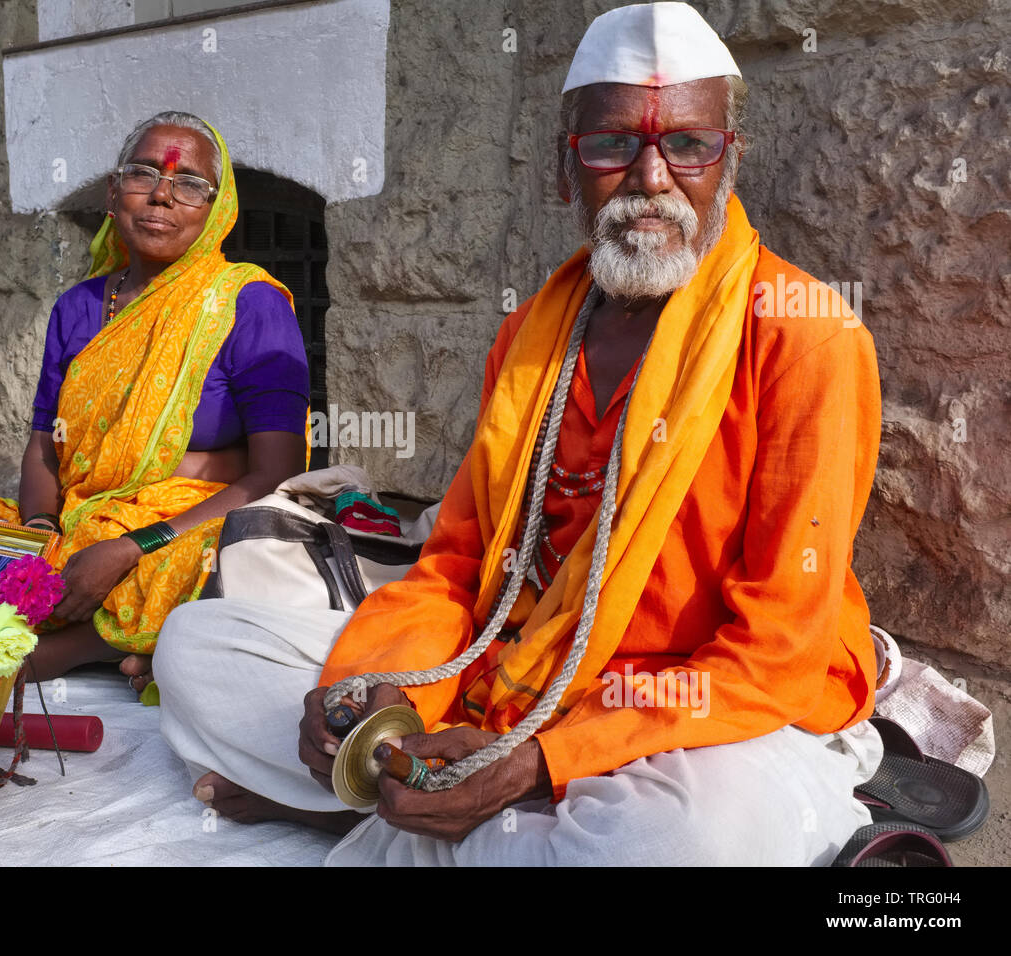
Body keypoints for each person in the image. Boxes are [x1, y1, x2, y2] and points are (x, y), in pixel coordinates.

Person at [152, 3, 886, 865]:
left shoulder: (807, 337)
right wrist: (384, 694)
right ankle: (433, 807)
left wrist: (539, 762)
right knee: (199, 646)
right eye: (614, 144)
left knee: (673, 839)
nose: (653, 177)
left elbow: (777, 651)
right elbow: (459, 563)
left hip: (706, 713)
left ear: (728, 161)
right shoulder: (536, 331)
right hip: (512, 670)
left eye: (688, 145)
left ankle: (406, 814)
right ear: (562, 169)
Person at [0, 111, 310, 698]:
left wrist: (133, 543)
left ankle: (71, 649)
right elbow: (43, 444)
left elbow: (278, 474)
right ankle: (128, 646)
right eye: (143, 175)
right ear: (113, 193)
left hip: (178, 528)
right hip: (76, 513)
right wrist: (38, 532)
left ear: (218, 209)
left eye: (190, 185)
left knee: (222, 557)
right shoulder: (78, 307)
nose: (162, 195)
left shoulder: (249, 304)